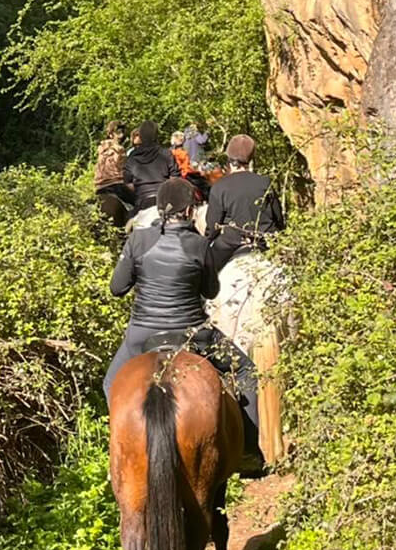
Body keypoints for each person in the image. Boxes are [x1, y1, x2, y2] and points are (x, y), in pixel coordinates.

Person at [103, 179, 262, 466]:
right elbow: (210, 291)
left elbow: (117, 288)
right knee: (248, 372)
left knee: (111, 382)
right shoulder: (200, 245)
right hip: (194, 335)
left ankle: (121, 452)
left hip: (142, 334)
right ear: (189, 210)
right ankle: (249, 452)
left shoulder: (137, 241)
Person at [206, 134, 285, 273]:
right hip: (265, 240)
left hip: (231, 242)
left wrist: (207, 242)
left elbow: (213, 226)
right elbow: (278, 218)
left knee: (206, 271)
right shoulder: (266, 182)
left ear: (229, 159)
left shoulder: (219, 186)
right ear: (250, 158)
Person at [122, 120, 180, 211]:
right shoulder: (166, 153)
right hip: (164, 199)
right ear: (156, 135)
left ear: (141, 136)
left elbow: (128, 183)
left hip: (142, 201)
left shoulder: (132, 156)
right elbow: (175, 179)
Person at [94, 121, 132, 204]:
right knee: (139, 204)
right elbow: (124, 169)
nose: (121, 136)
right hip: (116, 185)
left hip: (99, 187)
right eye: (118, 133)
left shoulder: (101, 148)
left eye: (122, 132)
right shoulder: (119, 149)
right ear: (111, 134)